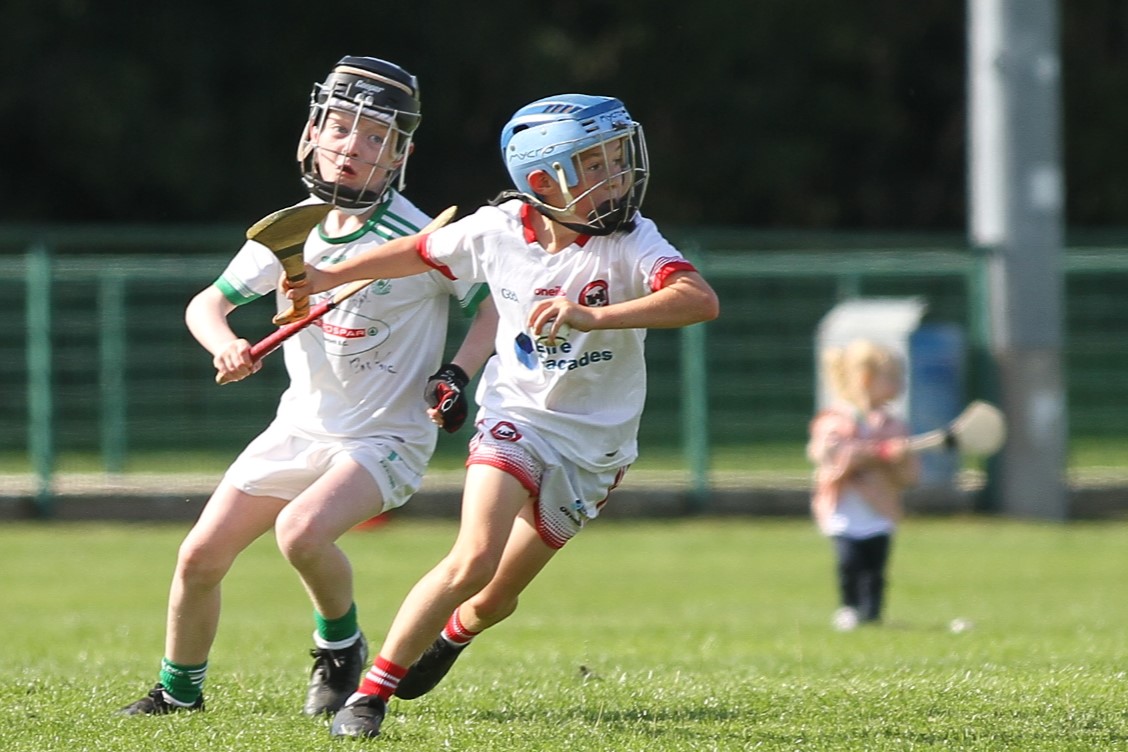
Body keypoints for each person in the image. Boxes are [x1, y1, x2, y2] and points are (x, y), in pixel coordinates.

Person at [281, 92, 720, 738]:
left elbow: (698, 299)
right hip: (514, 418)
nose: (618, 178)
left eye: (617, 161)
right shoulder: (496, 230)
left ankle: (454, 634)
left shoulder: (633, 243)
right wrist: (323, 275)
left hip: (594, 451)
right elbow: (419, 252)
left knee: (494, 598)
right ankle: (369, 696)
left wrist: (594, 316)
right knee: (473, 558)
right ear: (544, 183)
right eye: (595, 166)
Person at [118, 55, 498, 718]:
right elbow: (207, 304)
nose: (354, 146)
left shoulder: (421, 236)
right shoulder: (292, 229)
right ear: (312, 132)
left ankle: (340, 646)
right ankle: (178, 696)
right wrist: (227, 343)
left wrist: (457, 371)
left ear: (399, 154)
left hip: (386, 434)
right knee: (199, 557)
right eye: (342, 127)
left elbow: (492, 304)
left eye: (377, 137)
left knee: (300, 532)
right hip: (300, 426)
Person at [806, 339, 920, 631]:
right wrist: (871, 454)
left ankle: (872, 613)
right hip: (845, 512)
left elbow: (908, 478)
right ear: (867, 378)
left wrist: (899, 459)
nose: (900, 383)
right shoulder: (835, 421)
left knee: (876, 568)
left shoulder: (894, 426)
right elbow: (824, 456)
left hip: (879, 512)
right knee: (849, 563)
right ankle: (849, 608)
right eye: (893, 377)